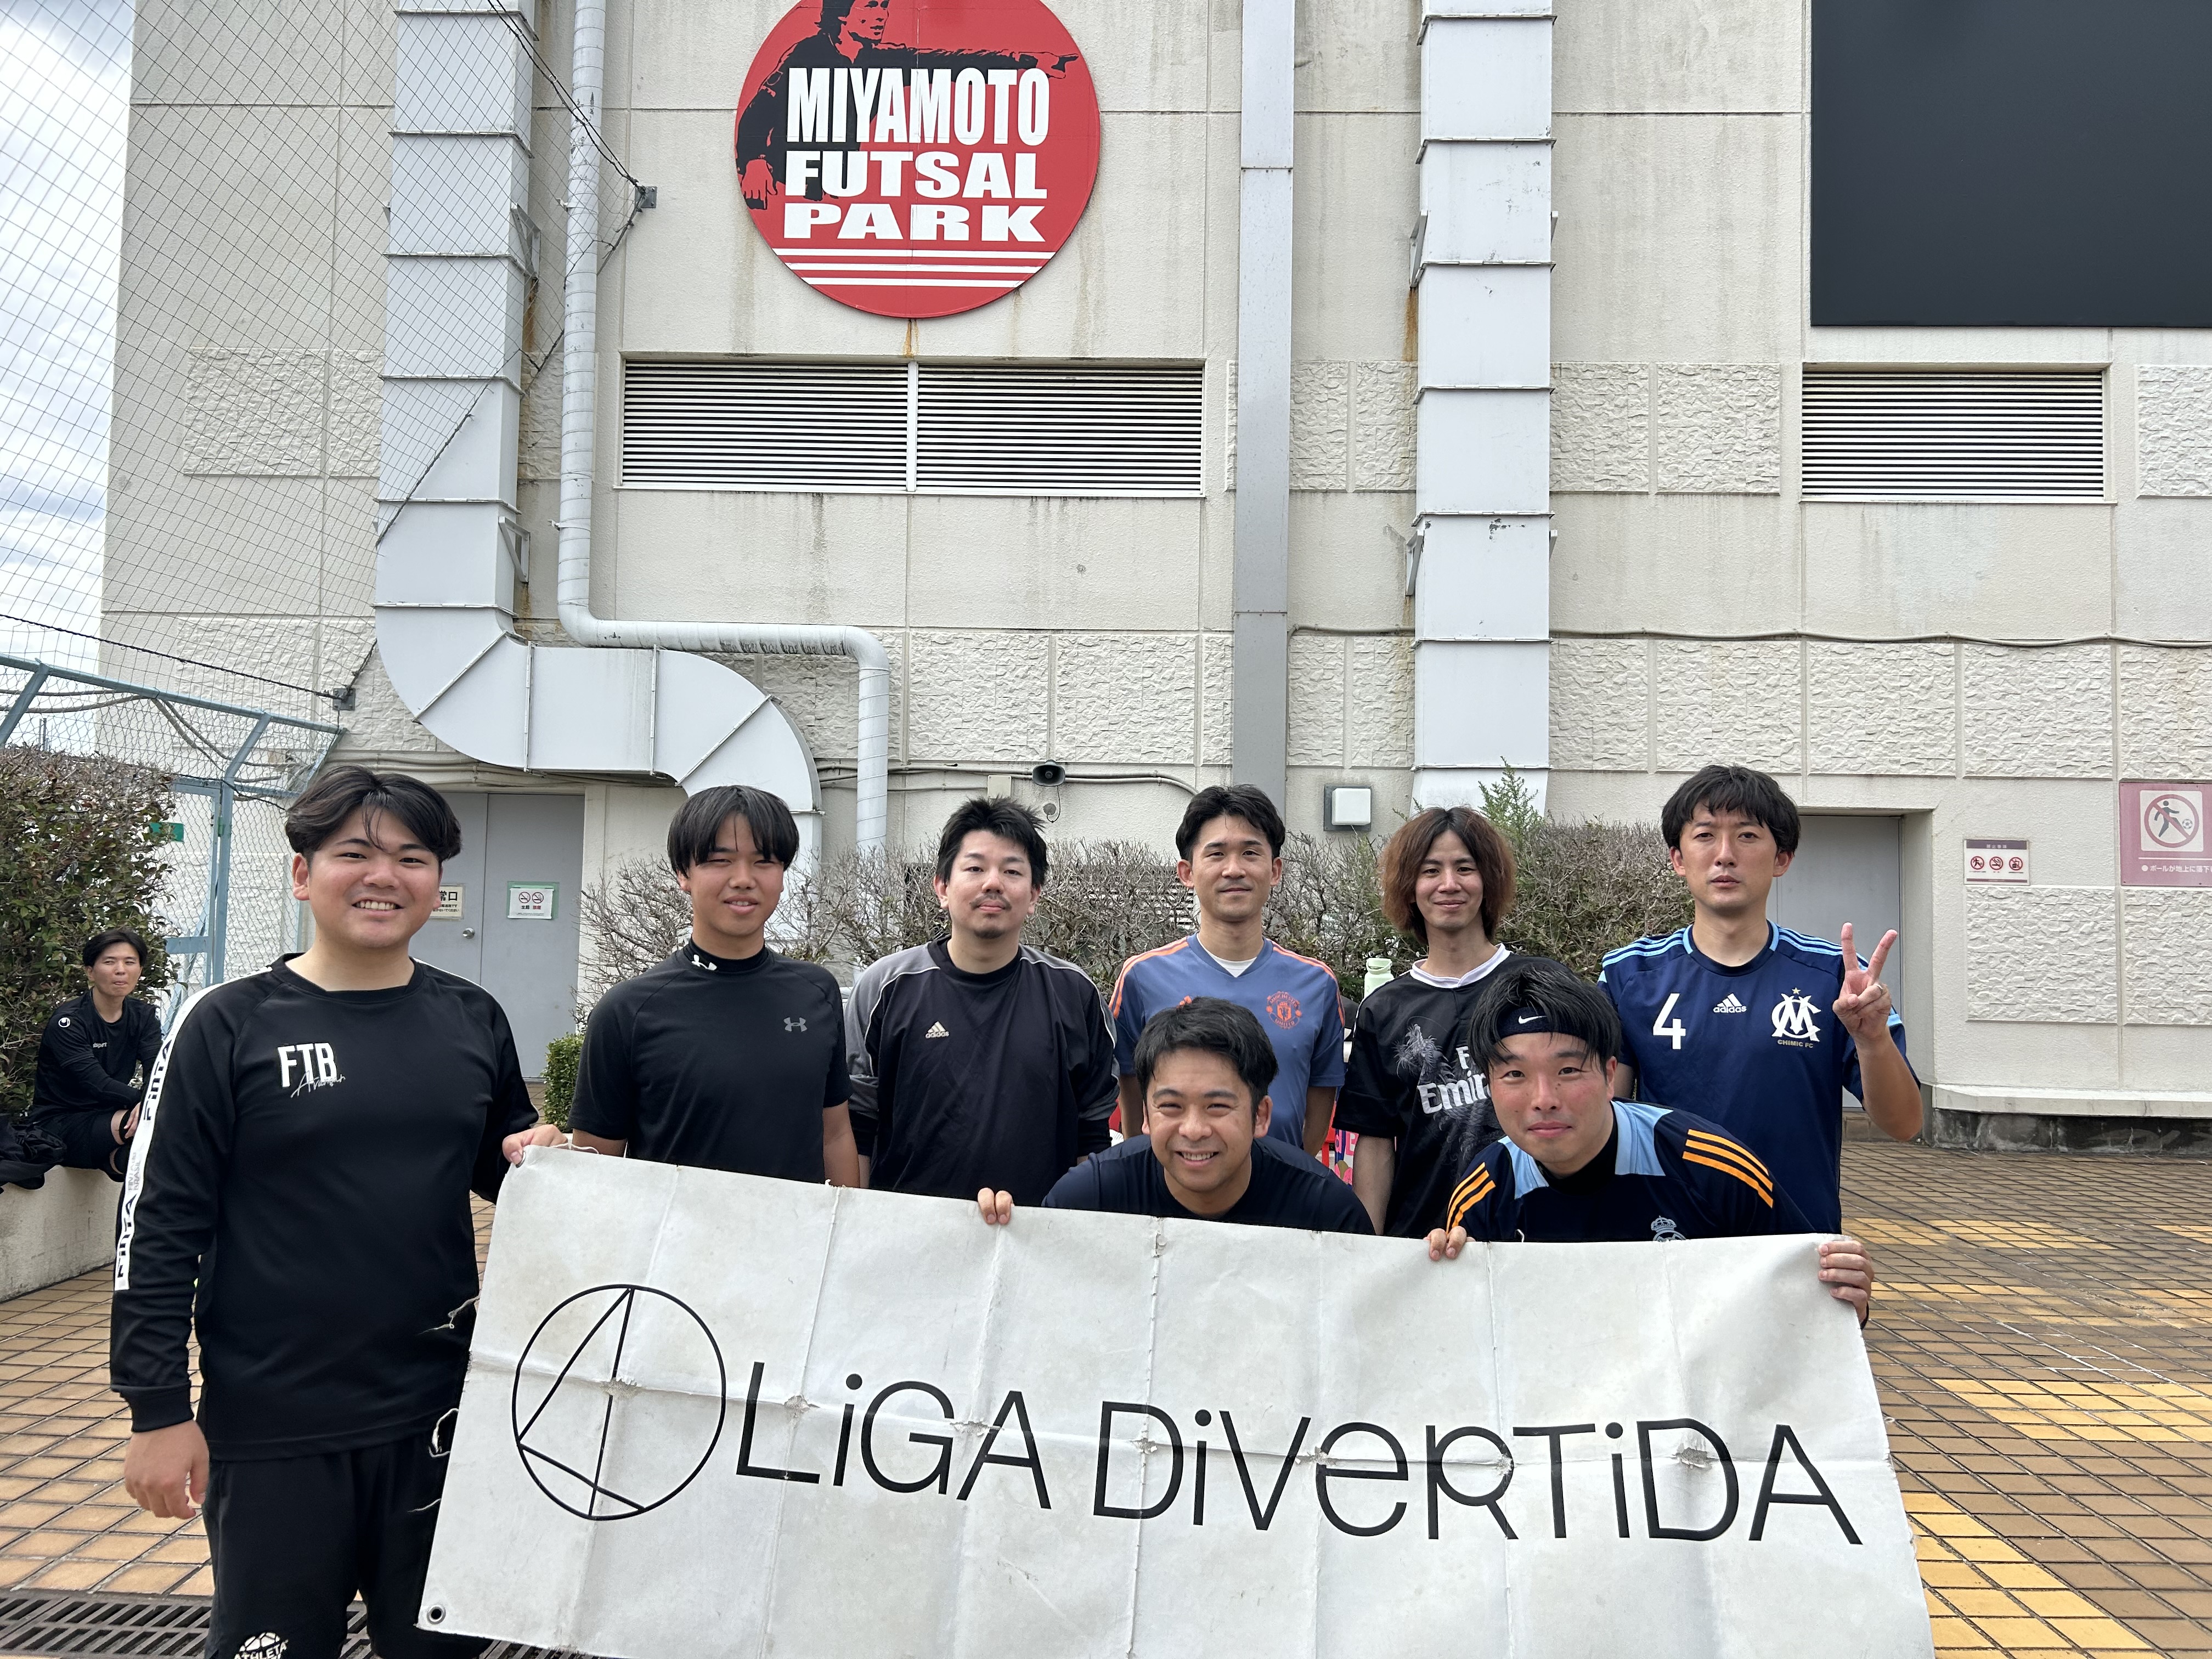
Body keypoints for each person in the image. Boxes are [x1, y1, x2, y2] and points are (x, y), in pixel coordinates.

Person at [111, 766, 563, 1659]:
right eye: (355, 853)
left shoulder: (471, 1017)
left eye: (412, 857)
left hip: (439, 1413)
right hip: (275, 1424)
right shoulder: (226, 1024)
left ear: (437, 881)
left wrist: (543, 1161)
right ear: (301, 873)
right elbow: (158, 1226)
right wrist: (156, 1408)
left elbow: (503, 1167)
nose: (384, 875)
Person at [1422, 957, 1873, 1323]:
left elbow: (1809, 1296)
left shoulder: (1710, 1166)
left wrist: (1848, 1297)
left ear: (1609, 1075)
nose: (1544, 1099)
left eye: (1568, 1070)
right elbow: (1473, 1338)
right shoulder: (1486, 1189)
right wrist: (1440, 1276)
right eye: (1515, 1075)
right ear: (1489, 1085)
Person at [1598, 764, 1920, 1234]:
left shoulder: (1834, 976)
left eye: (1747, 836)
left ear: (1781, 859)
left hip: (1795, 1241)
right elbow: (1601, 1119)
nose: (1725, 855)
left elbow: (1904, 1124)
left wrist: (1872, 1040)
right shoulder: (1629, 974)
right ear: (1678, 858)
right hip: (1668, 1240)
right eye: (1705, 835)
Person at [568, 786, 860, 1187]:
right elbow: (595, 1166)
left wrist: (848, 1221)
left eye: (764, 861)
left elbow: (835, 1134)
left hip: (798, 1228)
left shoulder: (816, 991)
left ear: (782, 874)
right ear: (683, 874)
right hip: (673, 1228)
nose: (743, 879)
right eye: (720, 861)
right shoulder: (628, 1010)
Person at [847, 798, 1116, 1204]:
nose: (993, 883)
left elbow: (1092, 1134)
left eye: (1012, 871)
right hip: (908, 1229)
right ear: (942, 887)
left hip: (1038, 1230)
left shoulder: (1074, 995)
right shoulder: (885, 987)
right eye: (975, 868)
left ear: (1034, 894)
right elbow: (858, 1126)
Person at [978, 999, 1372, 1233]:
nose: (1194, 1130)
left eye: (1218, 1107)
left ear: (1260, 1115)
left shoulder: (1326, 1212)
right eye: (1171, 1106)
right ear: (1146, 1116)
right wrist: (997, 1227)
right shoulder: (1089, 1199)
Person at [1108, 786, 1345, 1158]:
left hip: (1280, 1187)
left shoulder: (1317, 984)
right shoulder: (1142, 977)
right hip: (1173, 1184)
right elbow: (1131, 1094)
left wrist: (1293, 1171)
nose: (1234, 869)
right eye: (1216, 854)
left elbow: (1320, 1098)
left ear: (1275, 870)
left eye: (1250, 853)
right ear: (1187, 872)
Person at [1334, 806, 1520, 1237]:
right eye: (1430, 871)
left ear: (1489, 880)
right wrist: (1371, 1249)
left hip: (1526, 1239)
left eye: (1465, 868)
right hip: (1421, 1243)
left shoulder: (1539, 984)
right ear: (1409, 888)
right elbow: (1376, 1141)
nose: (1449, 884)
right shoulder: (1383, 1010)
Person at [733, 0, 1074, 207]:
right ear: (842, 14)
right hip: (782, 188)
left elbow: (953, 61)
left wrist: (1027, 61)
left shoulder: (884, 59)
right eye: (870, 6)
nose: (882, 15)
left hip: (833, 190)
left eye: (884, 6)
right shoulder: (806, 53)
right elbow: (760, 111)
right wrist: (754, 161)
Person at [31, 928, 163, 1178]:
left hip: (109, 1116)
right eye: (110, 962)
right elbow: (97, 1084)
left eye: (130, 962)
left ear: (140, 970)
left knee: (148, 1152)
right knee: (153, 1125)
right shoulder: (69, 1022)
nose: (121, 970)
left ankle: (116, 1163)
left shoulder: (143, 1016)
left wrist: (152, 1100)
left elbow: (157, 1070)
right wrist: (149, 1105)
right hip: (60, 1122)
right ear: (90, 972)